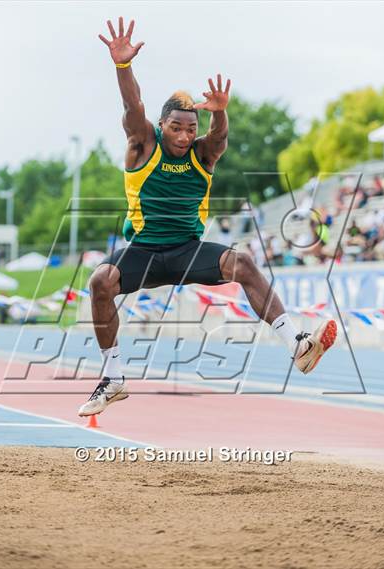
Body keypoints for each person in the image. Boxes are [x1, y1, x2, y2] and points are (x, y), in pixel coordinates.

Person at [77, 17, 337, 417]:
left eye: (190, 129)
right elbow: (133, 107)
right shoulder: (143, 145)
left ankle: (297, 344)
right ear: (161, 127)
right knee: (100, 280)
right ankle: (113, 378)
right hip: (144, 251)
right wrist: (123, 66)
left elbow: (219, 138)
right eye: (176, 128)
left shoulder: (202, 153)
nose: (183, 136)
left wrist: (219, 113)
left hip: (186, 250)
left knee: (244, 264)